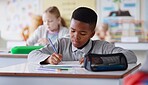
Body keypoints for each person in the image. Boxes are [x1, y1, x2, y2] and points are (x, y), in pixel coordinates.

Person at [28, 7, 137, 65]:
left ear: (92, 34)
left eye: (83, 33)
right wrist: (48, 59)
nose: (75, 36)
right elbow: (32, 55)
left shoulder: (102, 47)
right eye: (72, 30)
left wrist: (99, 60)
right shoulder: (62, 44)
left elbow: (131, 56)